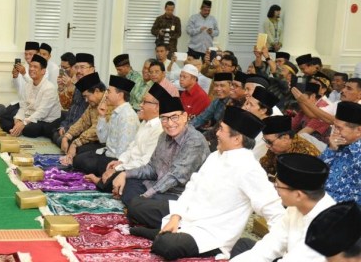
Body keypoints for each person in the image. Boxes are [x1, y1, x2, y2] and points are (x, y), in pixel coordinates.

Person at [126, 106, 283, 260]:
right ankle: (166, 229)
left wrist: (273, 250)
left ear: (236, 139)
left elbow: (275, 211)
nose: (216, 133)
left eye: (221, 129)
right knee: (135, 205)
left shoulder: (250, 169)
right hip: (188, 215)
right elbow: (191, 187)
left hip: (211, 233)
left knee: (166, 245)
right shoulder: (216, 156)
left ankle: (160, 233)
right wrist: (175, 217)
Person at [231, 153, 335, 261]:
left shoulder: (327, 228)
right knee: (244, 245)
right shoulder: (296, 207)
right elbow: (270, 246)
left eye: (278, 186)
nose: (276, 190)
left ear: (298, 195)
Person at [113, 95, 210, 206]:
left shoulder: (194, 141)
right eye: (164, 118)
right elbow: (151, 168)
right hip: (159, 186)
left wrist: (145, 196)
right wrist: (125, 174)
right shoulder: (164, 135)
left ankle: (138, 206)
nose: (169, 123)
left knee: (139, 204)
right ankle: (137, 205)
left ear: (184, 117)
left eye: (174, 117)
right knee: (129, 184)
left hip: (180, 194)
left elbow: (175, 177)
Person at [96, 83, 167, 191]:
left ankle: (101, 181)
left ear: (157, 107)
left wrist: (119, 168)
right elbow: (131, 147)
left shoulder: (159, 129)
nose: (140, 105)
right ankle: (103, 181)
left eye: (145, 102)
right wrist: (120, 161)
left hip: (139, 170)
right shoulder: (145, 123)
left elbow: (145, 162)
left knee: (116, 181)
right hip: (128, 164)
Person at [75, 75, 139, 175]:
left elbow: (122, 152)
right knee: (79, 158)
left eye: (109, 92)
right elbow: (103, 139)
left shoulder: (127, 116)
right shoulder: (116, 112)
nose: (106, 95)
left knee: (81, 162)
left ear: (120, 95)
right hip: (107, 152)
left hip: (115, 160)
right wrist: (102, 116)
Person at [0, 54, 61, 138]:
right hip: (30, 116)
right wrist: (18, 120)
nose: (31, 69)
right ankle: (17, 129)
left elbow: (42, 112)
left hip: (45, 119)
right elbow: (23, 106)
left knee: (31, 129)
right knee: (4, 120)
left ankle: (18, 129)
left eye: (35, 67)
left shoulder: (49, 88)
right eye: (30, 66)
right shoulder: (28, 85)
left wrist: (23, 123)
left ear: (43, 71)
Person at [59, 72, 112, 166]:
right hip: (95, 141)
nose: (86, 100)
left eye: (87, 96)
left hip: (107, 145)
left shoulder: (108, 103)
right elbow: (83, 121)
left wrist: (75, 143)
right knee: (65, 141)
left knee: (79, 158)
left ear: (96, 91)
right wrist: (67, 136)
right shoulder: (94, 103)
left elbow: (96, 130)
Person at [321, 101, 361, 204]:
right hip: (319, 201)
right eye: (334, 127)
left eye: (339, 128)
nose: (335, 132)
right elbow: (317, 171)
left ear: (359, 130)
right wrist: (331, 149)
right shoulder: (337, 144)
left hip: (344, 212)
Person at [53, 53, 95, 146]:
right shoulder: (79, 83)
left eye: (82, 67)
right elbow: (68, 107)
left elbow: (87, 120)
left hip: (84, 131)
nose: (78, 71)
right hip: (71, 126)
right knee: (54, 131)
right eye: (77, 67)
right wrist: (63, 126)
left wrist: (69, 132)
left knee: (59, 139)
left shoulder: (96, 88)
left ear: (92, 69)